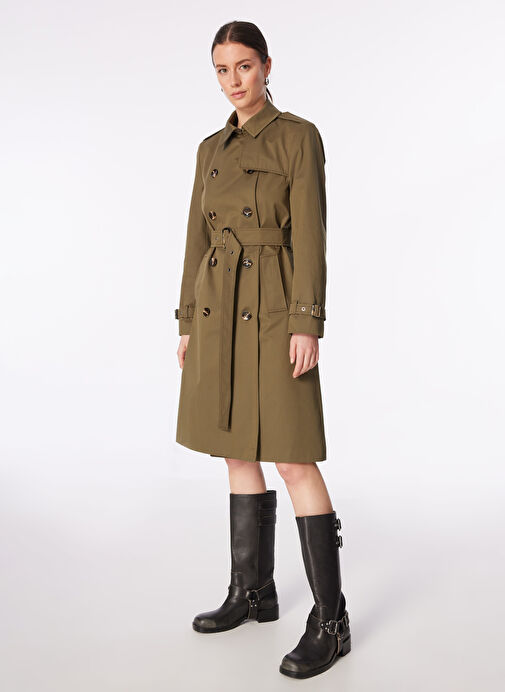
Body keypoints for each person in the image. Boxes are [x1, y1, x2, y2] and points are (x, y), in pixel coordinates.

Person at [174, 21, 351, 679]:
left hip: (275, 308)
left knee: (292, 456)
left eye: (244, 66)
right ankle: (252, 592)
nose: (234, 81)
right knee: (235, 450)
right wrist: (188, 320)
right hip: (218, 308)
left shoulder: (297, 136)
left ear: (267, 66)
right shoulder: (208, 149)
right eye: (222, 70)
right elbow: (195, 238)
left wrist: (306, 321)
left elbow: (311, 235)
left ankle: (331, 622)